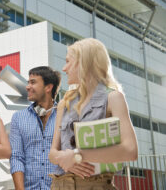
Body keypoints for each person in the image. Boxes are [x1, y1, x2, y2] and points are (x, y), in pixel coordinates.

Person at [49, 38, 138, 189]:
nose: (64, 68)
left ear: (84, 63)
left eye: (68, 61)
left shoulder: (113, 98)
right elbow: (52, 153)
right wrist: (65, 160)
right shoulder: (64, 103)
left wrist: (78, 155)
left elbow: (131, 151)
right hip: (59, 184)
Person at [9, 66, 61, 190]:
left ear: (48, 87)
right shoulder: (18, 118)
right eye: (28, 82)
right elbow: (16, 157)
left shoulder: (65, 115)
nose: (27, 87)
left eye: (33, 82)